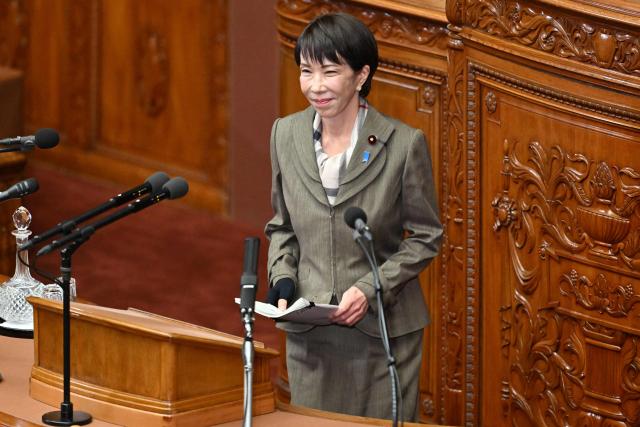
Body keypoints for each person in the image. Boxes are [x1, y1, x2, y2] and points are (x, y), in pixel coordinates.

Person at [264, 12, 442, 421]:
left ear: (361, 75)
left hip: (380, 334)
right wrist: (284, 277)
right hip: (310, 331)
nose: (316, 86)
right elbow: (282, 225)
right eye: (306, 71)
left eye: (330, 71)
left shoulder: (402, 144)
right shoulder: (284, 134)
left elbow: (426, 236)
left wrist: (369, 288)